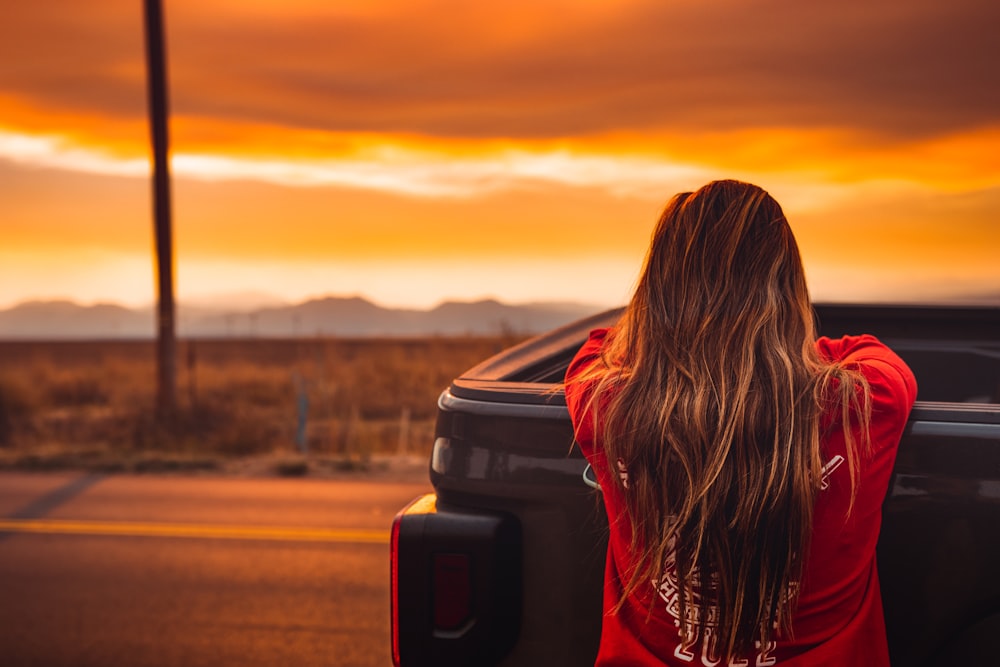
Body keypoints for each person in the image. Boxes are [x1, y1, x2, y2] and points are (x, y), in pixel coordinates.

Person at [563, 180, 917, 666]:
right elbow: (873, 356)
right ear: (788, 291)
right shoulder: (867, 402)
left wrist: (676, 346)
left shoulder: (604, 406)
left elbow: (602, 346)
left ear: (659, 292)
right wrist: (789, 358)